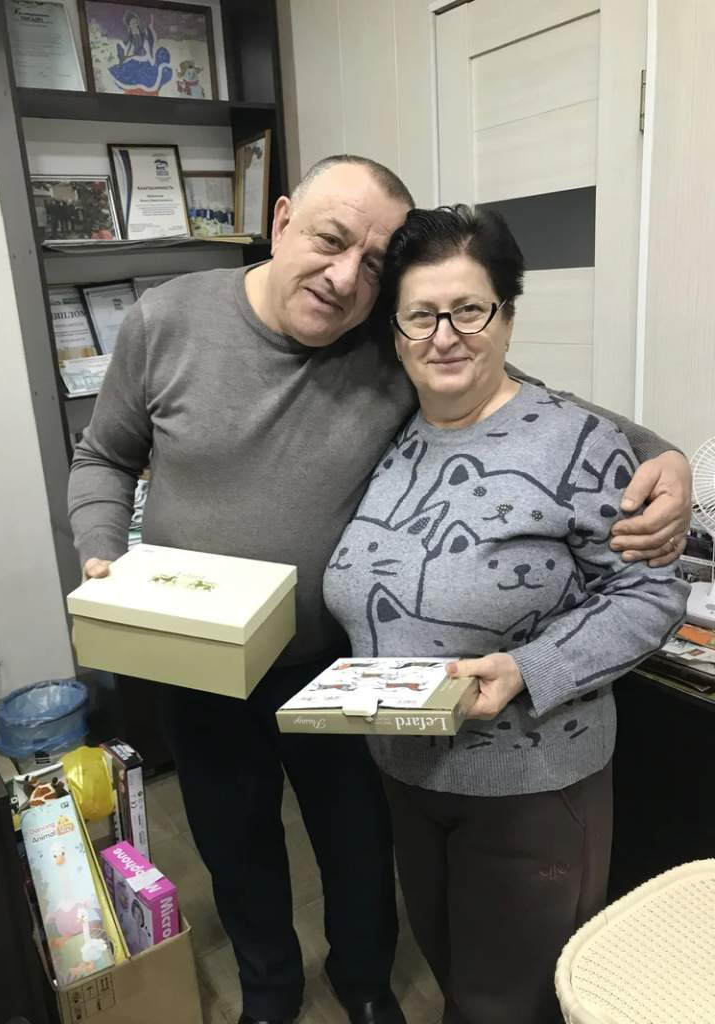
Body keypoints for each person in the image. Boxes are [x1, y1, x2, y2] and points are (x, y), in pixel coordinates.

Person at [68, 156, 690, 1024]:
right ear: (281, 220)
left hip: (338, 665)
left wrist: (667, 455)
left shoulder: (384, 338)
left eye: (372, 264)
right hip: (198, 658)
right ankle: (269, 991)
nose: (343, 277)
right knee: (232, 837)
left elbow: (537, 407)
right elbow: (104, 455)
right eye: (330, 241)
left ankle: (363, 984)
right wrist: (102, 552)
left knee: (357, 842)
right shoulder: (166, 318)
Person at [323, 204, 690, 1024]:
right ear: (396, 333)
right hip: (409, 775)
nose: (445, 336)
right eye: (421, 315)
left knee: (507, 1004)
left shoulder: (576, 443)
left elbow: (650, 590)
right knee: (454, 972)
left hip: (531, 785)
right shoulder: (395, 437)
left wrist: (530, 668)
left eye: (469, 310)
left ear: (507, 317)